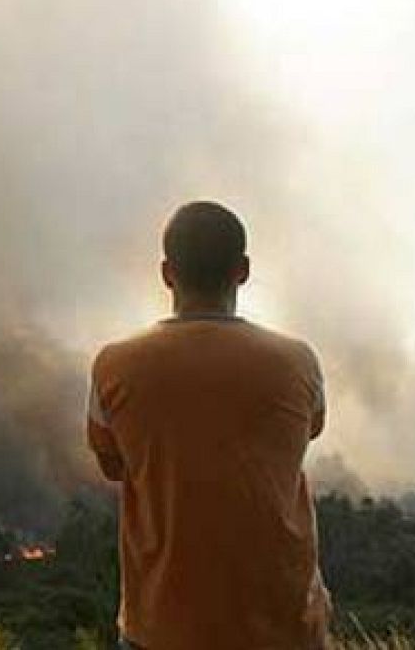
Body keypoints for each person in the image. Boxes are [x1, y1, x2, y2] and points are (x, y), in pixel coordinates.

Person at [87, 201, 331, 650]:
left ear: (166, 273)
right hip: (285, 627)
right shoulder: (299, 362)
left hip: (161, 630)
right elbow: (307, 433)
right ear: (243, 270)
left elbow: (113, 465)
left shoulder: (113, 367)